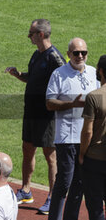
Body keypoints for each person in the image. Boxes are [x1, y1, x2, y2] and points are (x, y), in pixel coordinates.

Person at [5, 19, 65, 214]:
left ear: (40, 34)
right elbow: (32, 77)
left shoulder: (54, 57)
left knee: (50, 156)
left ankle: (52, 197)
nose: (28, 36)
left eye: (30, 33)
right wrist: (18, 74)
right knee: (27, 149)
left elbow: (64, 82)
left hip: (46, 115)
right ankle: (26, 190)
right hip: (30, 112)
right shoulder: (36, 54)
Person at [46, 38, 99, 220]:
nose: (80, 56)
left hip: (88, 139)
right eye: (76, 53)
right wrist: (72, 104)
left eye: (83, 52)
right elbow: (49, 103)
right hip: (67, 138)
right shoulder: (59, 74)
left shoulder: (94, 73)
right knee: (64, 182)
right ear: (68, 54)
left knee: (80, 184)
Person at [79, 55, 106, 220]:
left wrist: (82, 154)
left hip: (95, 160)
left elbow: (87, 132)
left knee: (95, 207)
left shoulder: (94, 96)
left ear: (101, 71)